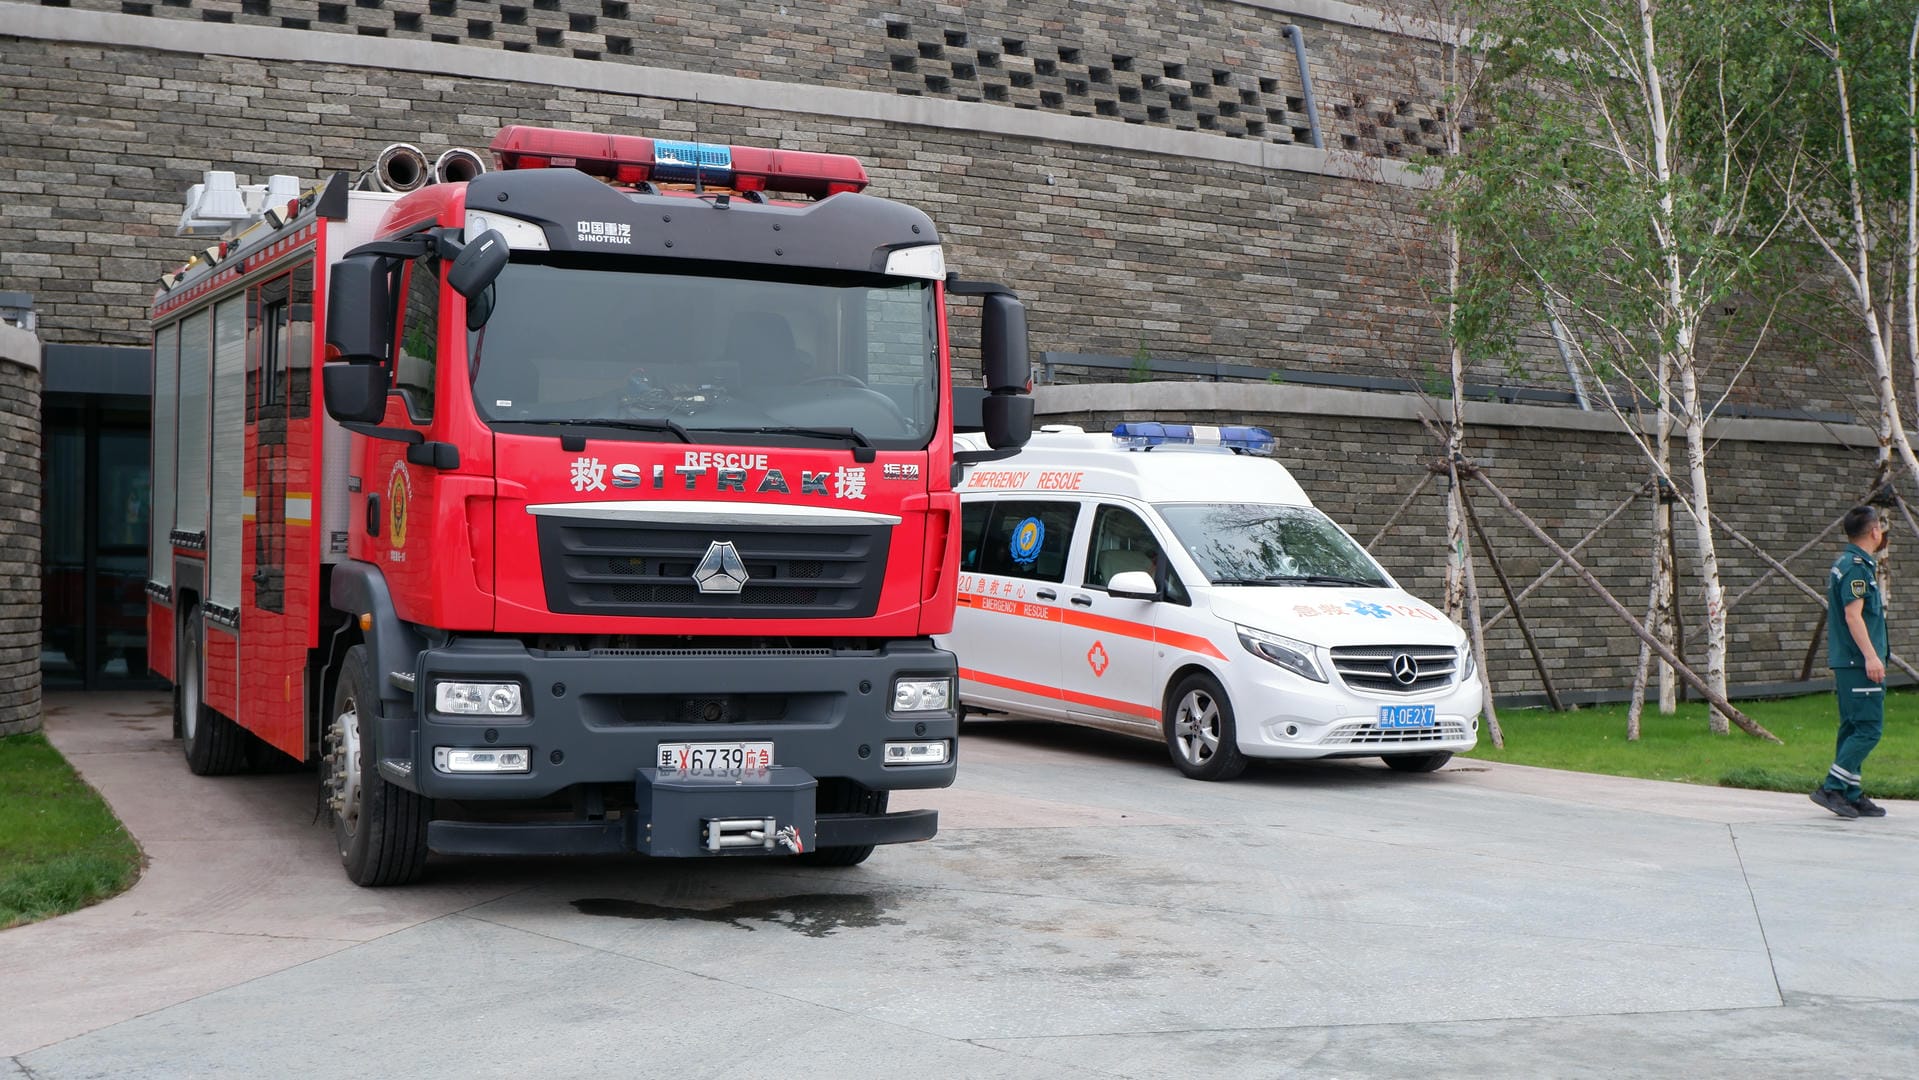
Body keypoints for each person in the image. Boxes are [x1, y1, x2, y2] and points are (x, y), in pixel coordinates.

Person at [1812, 504, 1892, 819]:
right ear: (1874, 531)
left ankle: (1851, 792)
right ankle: (1832, 787)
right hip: (1858, 663)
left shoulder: (1849, 563)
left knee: (1852, 728)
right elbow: (1852, 615)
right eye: (1881, 529)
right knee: (1869, 728)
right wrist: (1871, 657)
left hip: (1850, 662)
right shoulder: (1856, 567)